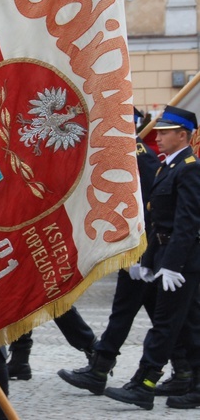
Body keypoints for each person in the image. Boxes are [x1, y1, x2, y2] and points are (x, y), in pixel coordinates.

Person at [57, 111, 191, 396]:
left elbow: (151, 210)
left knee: (154, 314)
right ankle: (179, 369)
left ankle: (110, 370)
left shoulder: (140, 156)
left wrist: (144, 255)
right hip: (137, 250)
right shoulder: (124, 154)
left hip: (142, 250)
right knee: (150, 313)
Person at [103, 105, 200, 410]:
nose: (159, 137)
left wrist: (172, 265)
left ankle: (144, 384)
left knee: (165, 323)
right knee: (188, 324)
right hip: (166, 255)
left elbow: (187, 223)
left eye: (166, 132)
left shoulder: (189, 167)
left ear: (182, 135)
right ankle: (193, 383)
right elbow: (156, 221)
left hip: (182, 262)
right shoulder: (167, 167)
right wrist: (147, 261)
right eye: (159, 131)